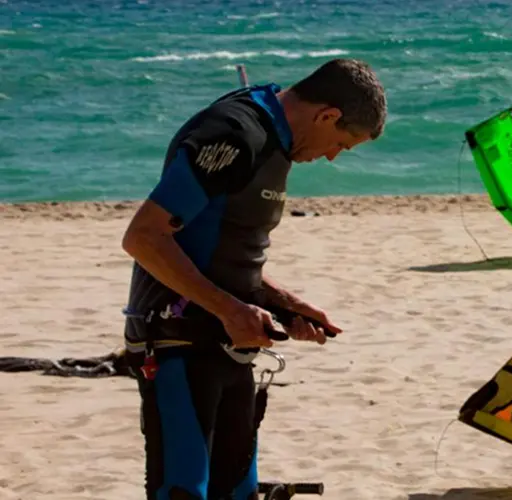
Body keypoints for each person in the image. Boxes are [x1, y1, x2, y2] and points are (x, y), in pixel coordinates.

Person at [119, 57, 385, 500]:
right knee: (184, 490)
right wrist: (230, 309)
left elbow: (219, 251)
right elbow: (144, 238)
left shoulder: (274, 140)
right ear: (327, 115)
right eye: (342, 143)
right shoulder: (235, 132)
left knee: (239, 491)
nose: (333, 156)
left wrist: (280, 303)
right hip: (177, 342)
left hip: (230, 342)